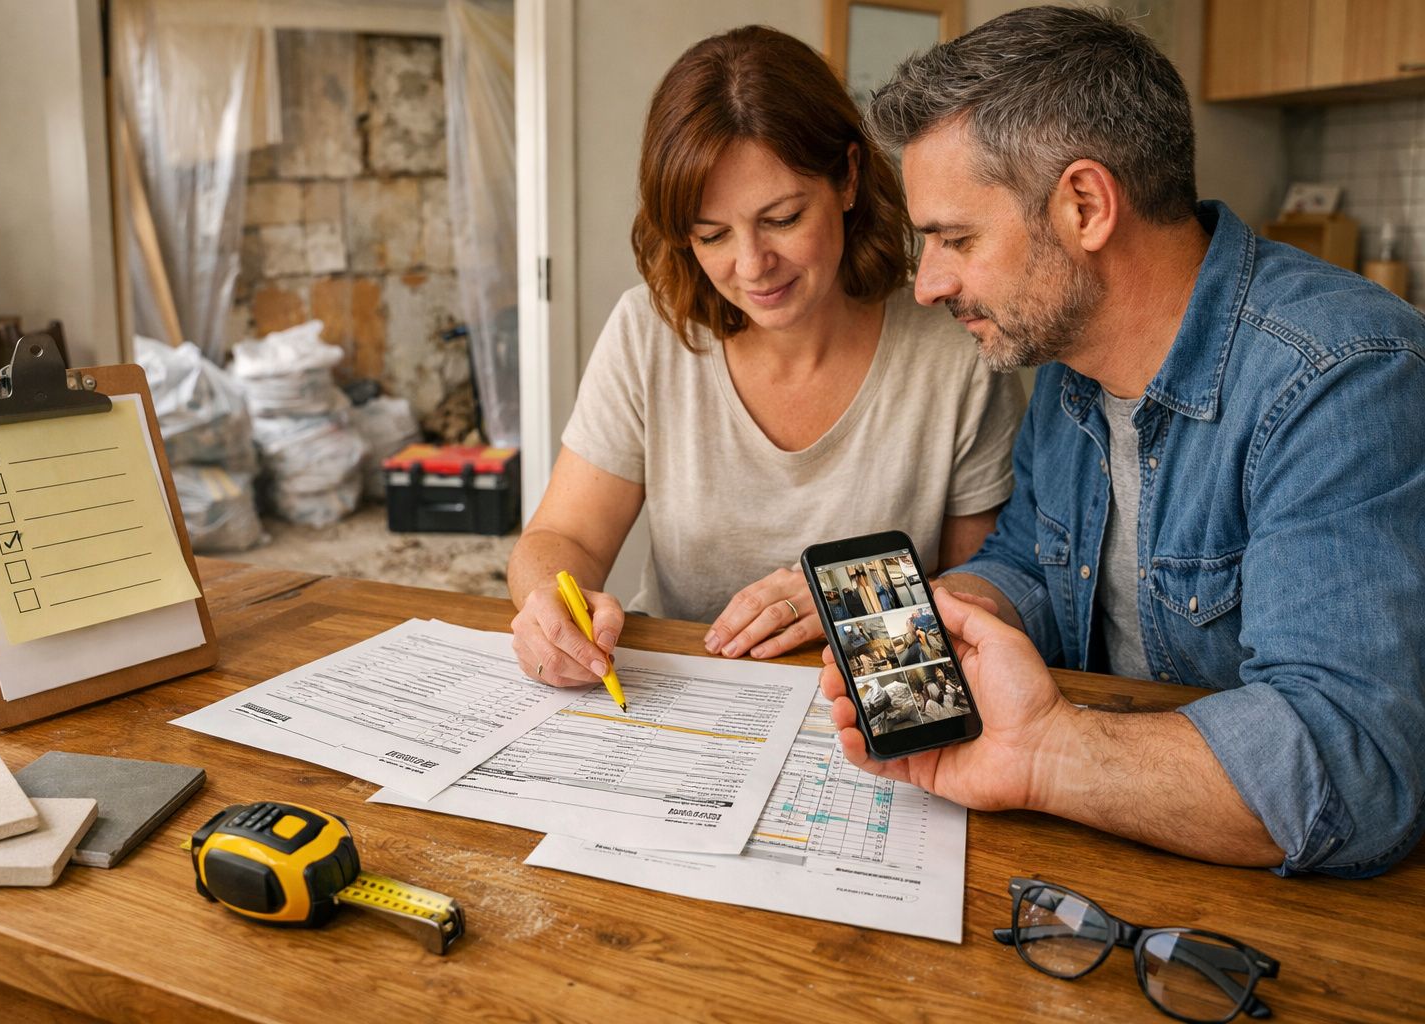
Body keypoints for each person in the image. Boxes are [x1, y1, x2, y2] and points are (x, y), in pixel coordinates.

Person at [821, 6, 1425, 877]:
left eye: (956, 238)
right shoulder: (1070, 362)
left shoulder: (1342, 376)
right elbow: (1031, 561)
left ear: (1086, 206)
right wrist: (945, 620)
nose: (930, 284)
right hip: (1116, 848)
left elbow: (1352, 766)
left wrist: (1048, 752)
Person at [508, 25, 1023, 688]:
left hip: (881, 700)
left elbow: (984, 589)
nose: (752, 266)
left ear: (848, 178)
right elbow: (563, 538)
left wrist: (856, 599)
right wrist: (547, 601)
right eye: (712, 235)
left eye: (781, 219)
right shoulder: (647, 332)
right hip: (675, 694)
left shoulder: (954, 350)